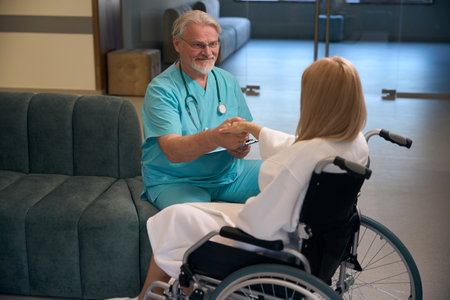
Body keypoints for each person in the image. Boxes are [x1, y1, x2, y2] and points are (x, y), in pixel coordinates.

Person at [136, 56, 369, 300]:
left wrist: (238, 213)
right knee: (185, 216)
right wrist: (254, 129)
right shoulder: (355, 143)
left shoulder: (298, 160)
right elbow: (298, 146)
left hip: (271, 244)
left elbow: (258, 225)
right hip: (318, 240)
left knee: (175, 218)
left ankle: (149, 296)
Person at [141, 10, 262, 210]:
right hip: (177, 180)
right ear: (177, 43)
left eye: (213, 44)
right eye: (198, 45)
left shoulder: (227, 81)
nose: (208, 52)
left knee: (290, 179)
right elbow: (173, 151)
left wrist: (240, 147)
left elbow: (244, 131)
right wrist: (217, 137)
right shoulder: (161, 90)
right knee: (195, 221)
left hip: (229, 175)